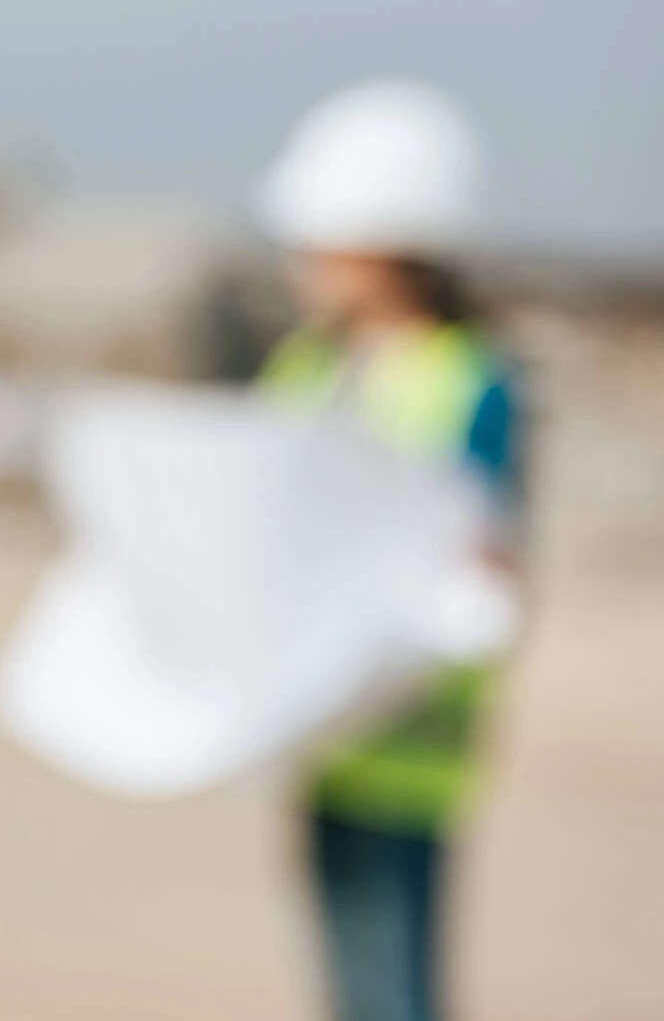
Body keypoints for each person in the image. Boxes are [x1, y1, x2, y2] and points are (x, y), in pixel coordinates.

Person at [255, 80, 524, 1021]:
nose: (304, 260)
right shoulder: (309, 367)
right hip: (322, 731)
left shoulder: (466, 380)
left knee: (391, 991)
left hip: (411, 746)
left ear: (393, 242)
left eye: (321, 238)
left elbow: (491, 569)